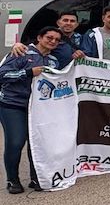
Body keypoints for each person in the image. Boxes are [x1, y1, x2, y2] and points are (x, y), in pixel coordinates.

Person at [0, 26, 61, 193]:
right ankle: (12, 180)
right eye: (49, 37)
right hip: (12, 104)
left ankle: (37, 178)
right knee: (16, 141)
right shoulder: (21, 52)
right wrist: (28, 73)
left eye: (56, 39)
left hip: (38, 108)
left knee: (37, 143)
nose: (53, 41)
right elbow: (2, 75)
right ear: (39, 37)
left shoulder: (54, 61)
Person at [10, 10, 85, 67]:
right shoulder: (48, 35)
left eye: (72, 21)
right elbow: (32, 46)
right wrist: (17, 45)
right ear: (58, 22)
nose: (68, 23)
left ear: (77, 24)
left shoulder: (82, 38)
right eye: (65, 20)